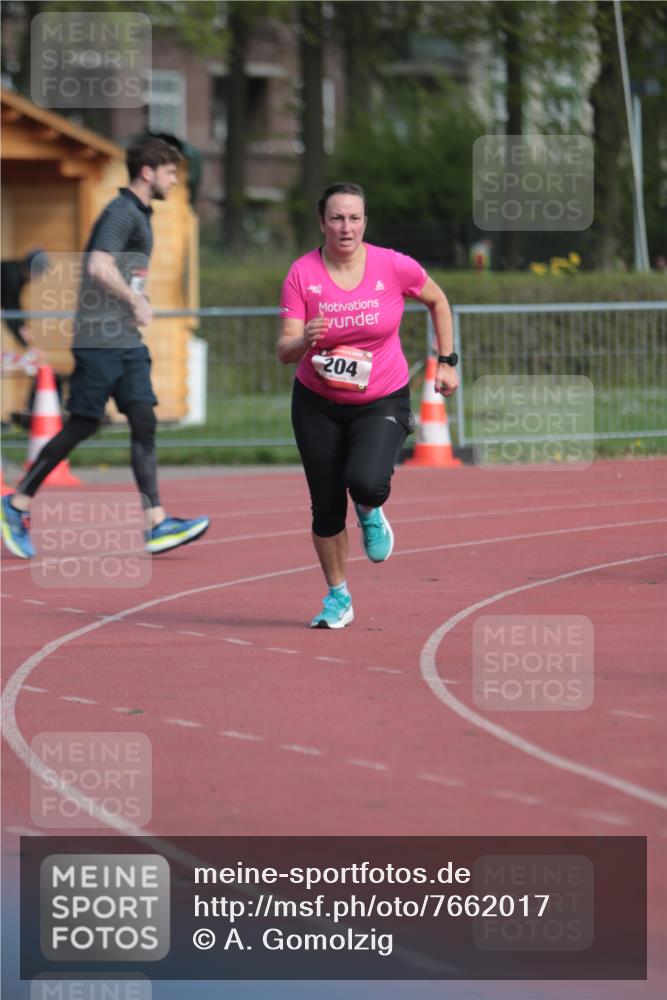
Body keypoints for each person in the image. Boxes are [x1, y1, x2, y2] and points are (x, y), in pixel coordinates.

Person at [1, 137, 209, 560]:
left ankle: (156, 522)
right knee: (83, 425)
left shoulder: (139, 214)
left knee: (143, 419)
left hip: (126, 342)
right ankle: (16, 503)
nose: (173, 179)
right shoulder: (121, 213)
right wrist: (134, 300)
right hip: (99, 343)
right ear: (147, 171)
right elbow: (98, 265)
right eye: (170, 172)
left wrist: (132, 303)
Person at [277, 181, 459, 629]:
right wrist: (305, 339)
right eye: (336, 218)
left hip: (381, 398)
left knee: (366, 482)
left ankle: (370, 507)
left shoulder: (392, 265)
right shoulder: (302, 273)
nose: (345, 227)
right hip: (316, 402)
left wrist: (448, 362)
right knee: (324, 506)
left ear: (364, 222)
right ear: (322, 223)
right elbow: (283, 349)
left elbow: (438, 300)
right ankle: (338, 597)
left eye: (354, 218)